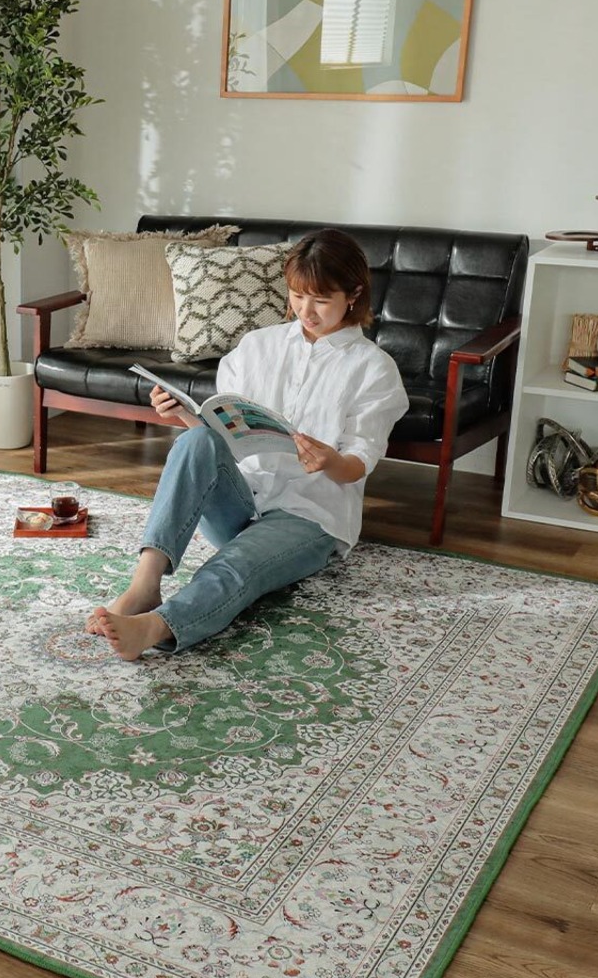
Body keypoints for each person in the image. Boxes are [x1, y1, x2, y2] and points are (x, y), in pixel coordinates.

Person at [88, 228, 409, 661]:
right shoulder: (257, 346)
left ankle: (156, 627)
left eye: (320, 299)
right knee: (196, 438)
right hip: (242, 498)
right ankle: (145, 585)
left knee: (238, 565)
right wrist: (183, 414)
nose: (305, 311)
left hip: (310, 514)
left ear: (353, 294)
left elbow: (357, 464)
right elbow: (221, 437)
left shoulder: (374, 369)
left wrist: (329, 460)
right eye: (297, 296)